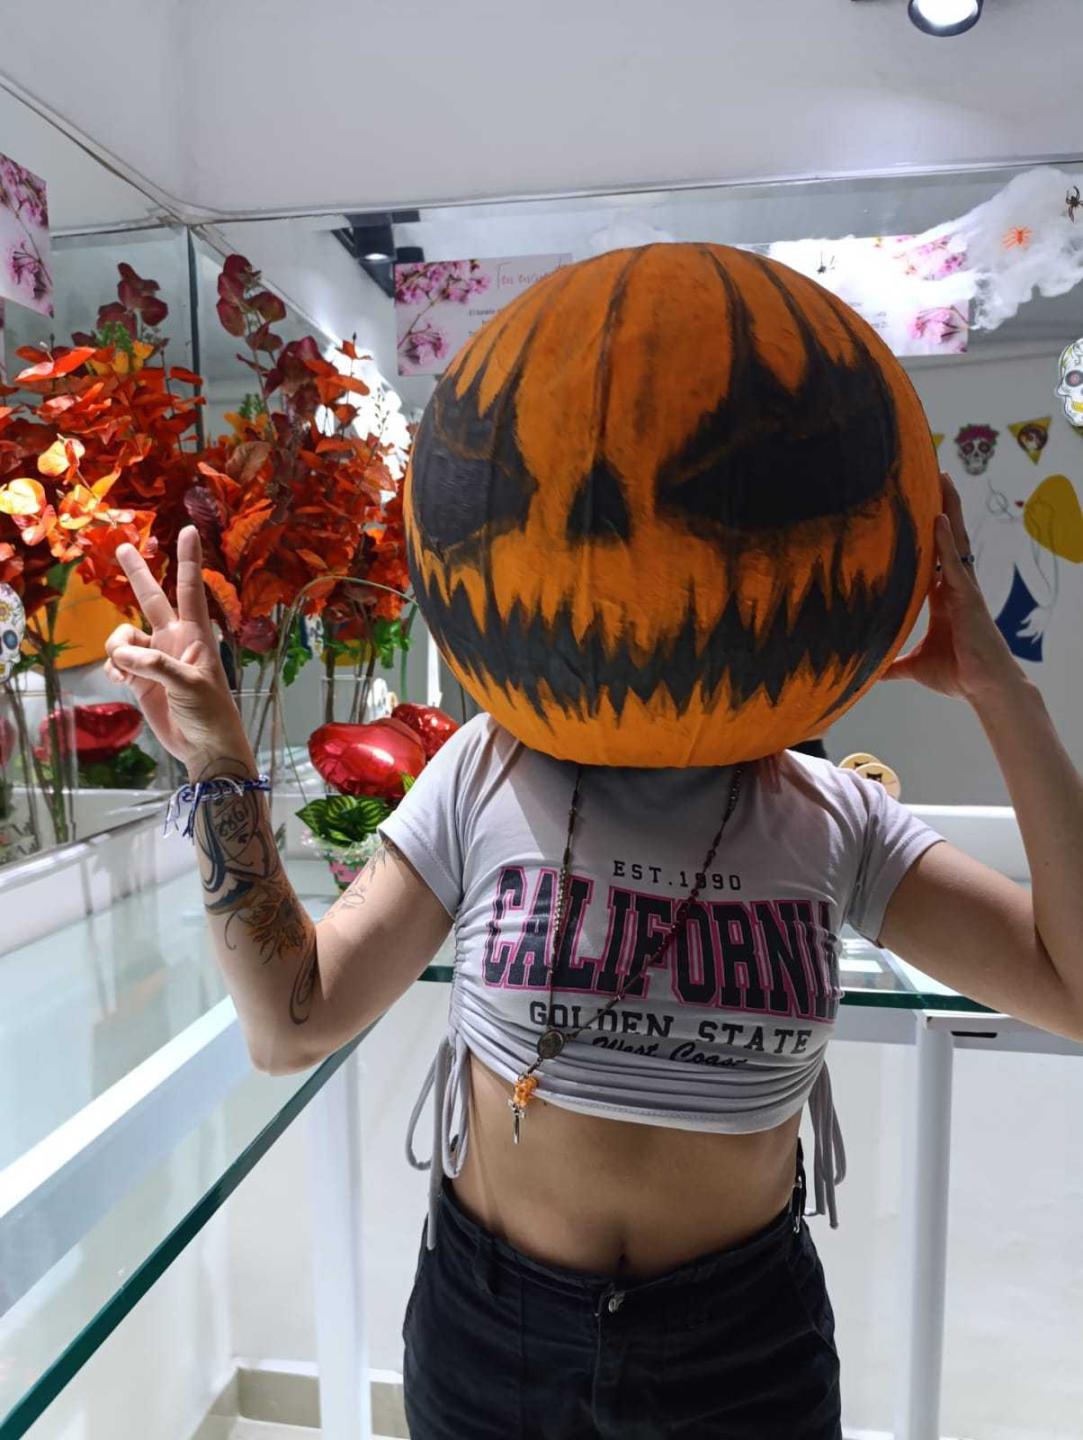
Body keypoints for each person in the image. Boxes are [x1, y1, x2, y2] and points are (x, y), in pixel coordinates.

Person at [104, 472, 1083, 1439]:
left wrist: (999, 689)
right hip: (495, 1341)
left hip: (740, 1354)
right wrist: (217, 760)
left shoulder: (836, 814)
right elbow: (292, 1020)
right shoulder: (484, 766)